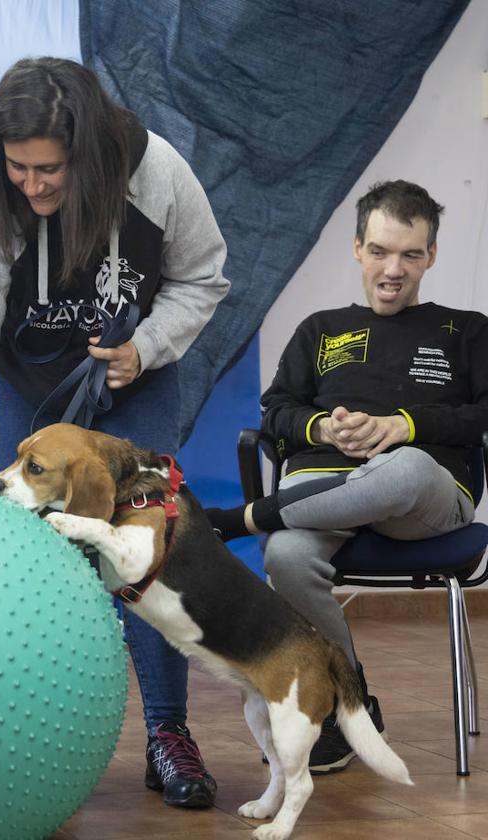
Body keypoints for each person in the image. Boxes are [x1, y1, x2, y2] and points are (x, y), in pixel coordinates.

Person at [0, 58, 229, 808]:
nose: (31, 185)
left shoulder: (159, 175)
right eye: (16, 167)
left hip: (131, 381)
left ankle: (167, 733)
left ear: (90, 153)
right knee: (22, 550)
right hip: (30, 388)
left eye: (50, 170)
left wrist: (151, 345)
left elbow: (204, 276)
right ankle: (8, 731)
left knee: (144, 549)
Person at [206, 180, 487, 773]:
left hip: (424, 502)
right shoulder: (321, 328)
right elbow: (276, 411)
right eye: (381, 251)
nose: (394, 270)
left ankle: (244, 518)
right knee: (284, 553)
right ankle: (348, 702)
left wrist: (405, 424)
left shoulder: (468, 332)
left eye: (411, 254)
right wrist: (324, 432)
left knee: (403, 465)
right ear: (357, 247)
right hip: (322, 495)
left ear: (432, 255)